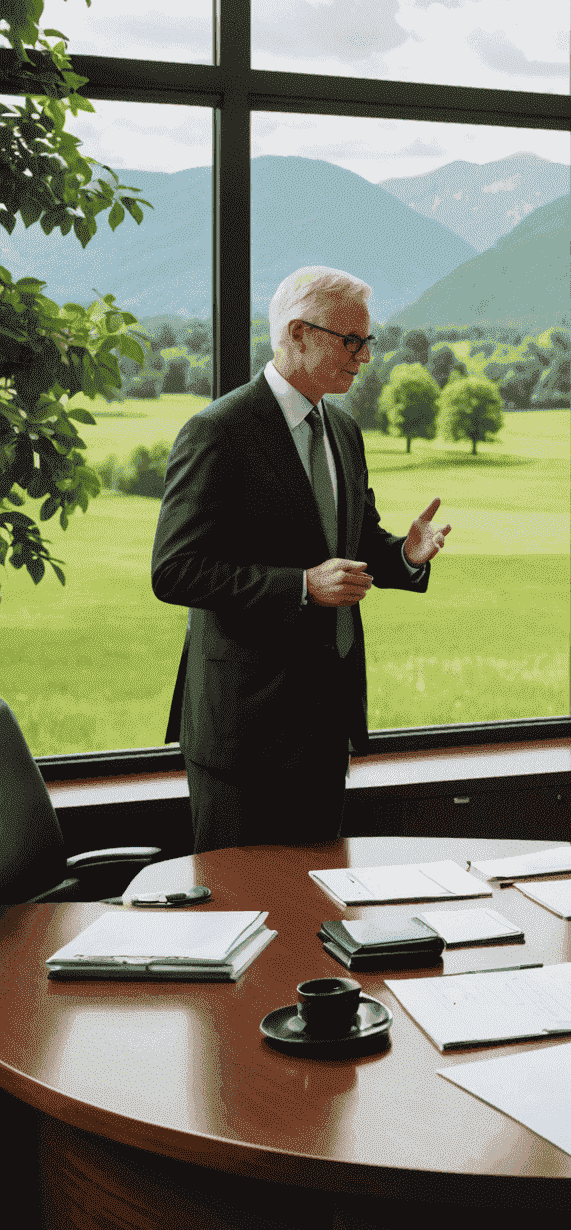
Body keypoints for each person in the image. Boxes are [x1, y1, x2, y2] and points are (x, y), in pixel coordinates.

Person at [152, 266, 451, 853]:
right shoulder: (217, 431)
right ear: (297, 333)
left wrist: (406, 556)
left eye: (367, 341)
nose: (364, 357)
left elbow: (356, 548)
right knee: (246, 917)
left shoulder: (342, 429)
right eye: (350, 341)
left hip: (325, 729)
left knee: (319, 914)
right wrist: (300, 586)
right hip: (243, 736)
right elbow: (175, 569)